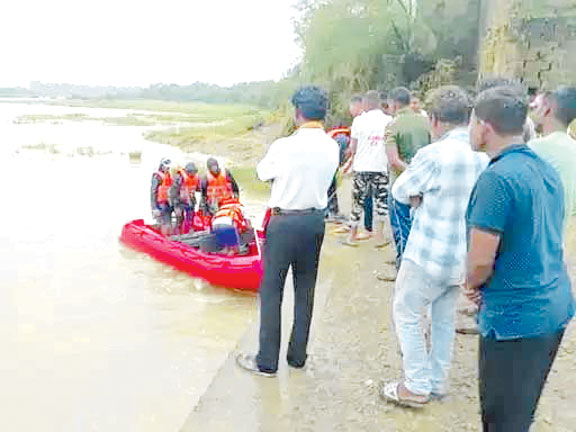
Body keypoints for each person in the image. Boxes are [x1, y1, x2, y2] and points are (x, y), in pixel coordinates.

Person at [465, 86, 574, 431]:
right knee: (520, 409)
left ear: (484, 127)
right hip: (553, 306)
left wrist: (472, 283)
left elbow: (480, 261)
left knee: (502, 420)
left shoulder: (496, 179)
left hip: (516, 319)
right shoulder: (544, 169)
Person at [380, 86, 488, 408]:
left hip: (428, 254)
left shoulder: (433, 154)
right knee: (442, 318)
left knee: (407, 312)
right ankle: (437, 381)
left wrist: (420, 197)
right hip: (462, 256)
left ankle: (415, 385)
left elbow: (401, 191)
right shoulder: (483, 156)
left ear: (436, 120)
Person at [236, 85, 339, 377]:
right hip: (314, 222)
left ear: (297, 112)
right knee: (305, 289)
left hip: (284, 223)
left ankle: (267, 362)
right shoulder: (332, 145)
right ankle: (297, 356)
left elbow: (262, 173)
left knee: (272, 291)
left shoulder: (284, 145)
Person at [385, 87, 431, 271]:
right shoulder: (426, 121)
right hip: (425, 185)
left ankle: (403, 270)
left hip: (400, 186)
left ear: (394, 104)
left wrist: (411, 172)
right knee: (419, 228)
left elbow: (394, 160)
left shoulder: (392, 125)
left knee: (402, 230)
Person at [345, 90, 392, 246]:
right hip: (380, 166)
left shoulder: (359, 121)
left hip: (362, 167)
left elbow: (353, 146)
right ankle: (379, 237)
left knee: (357, 202)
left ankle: (352, 236)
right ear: (379, 103)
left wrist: (350, 161)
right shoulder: (389, 120)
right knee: (381, 202)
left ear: (365, 104)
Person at [529, 86, 576, 237]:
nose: (531, 111)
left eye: (535, 107)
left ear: (547, 109)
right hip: (556, 246)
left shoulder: (533, 150)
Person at [170, 162, 200, 234]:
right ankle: (177, 236)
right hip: (179, 202)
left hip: (190, 201)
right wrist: (176, 206)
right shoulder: (179, 177)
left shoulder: (196, 178)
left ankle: (187, 234)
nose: (192, 174)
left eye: (194, 172)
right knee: (180, 219)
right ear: (187, 171)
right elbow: (173, 193)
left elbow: (199, 189)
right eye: (191, 172)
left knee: (190, 220)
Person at [150, 157, 174, 235]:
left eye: (168, 167)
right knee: (163, 222)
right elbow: (153, 192)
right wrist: (154, 208)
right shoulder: (157, 177)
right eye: (166, 166)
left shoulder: (168, 175)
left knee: (169, 222)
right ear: (162, 166)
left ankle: (171, 239)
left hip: (168, 203)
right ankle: (163, 238)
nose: (167, 168)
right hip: (160, 203)